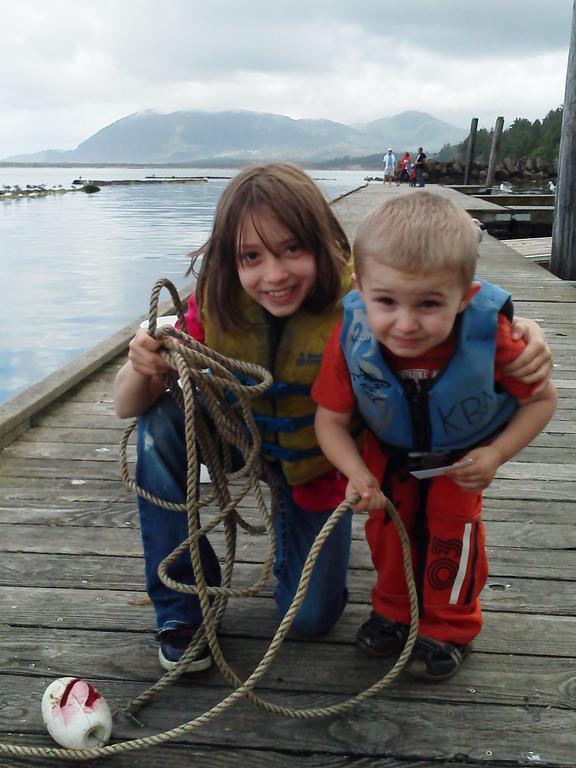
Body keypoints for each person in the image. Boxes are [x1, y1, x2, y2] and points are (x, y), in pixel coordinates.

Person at [114, 164, 552, 674]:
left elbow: (436, 283)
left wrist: (520, 326)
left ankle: (315, 553)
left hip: (318, 471)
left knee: (312, 618)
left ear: (325, 246)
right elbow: (126, 406)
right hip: (242, 441)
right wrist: (141, 365)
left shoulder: (362, 306)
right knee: (159, 424)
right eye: (251, 257)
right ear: (230, 261)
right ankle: (183, 610)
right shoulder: (214, 306)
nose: (274, 275)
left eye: (292, 249)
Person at [313, 192, 556, 683]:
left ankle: (450, 626)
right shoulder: (351, 340)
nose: (405, 324)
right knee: (386, 531)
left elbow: (541, 401)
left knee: (454, 536)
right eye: (386, 302)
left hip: (461, 459)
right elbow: (330, 420)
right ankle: (394, 613)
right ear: (361, 292)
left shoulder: (495, 337)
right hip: (387, 454)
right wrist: (356, 472)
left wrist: (496, 453)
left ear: (466, 296)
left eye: (428, 303)